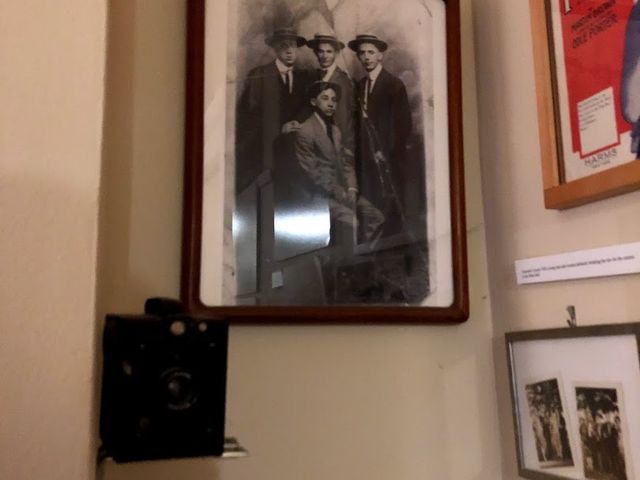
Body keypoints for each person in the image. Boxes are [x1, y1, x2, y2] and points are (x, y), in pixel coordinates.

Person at [294, 81, 384, 248]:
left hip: (342, 191)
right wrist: (340, 193)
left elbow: (346, 163)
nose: (331, 103)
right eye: (325, 98)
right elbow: (313, 173)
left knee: (377, 218)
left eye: (334, 100)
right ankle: (350, 258)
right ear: (314, 102)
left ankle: (366, 253)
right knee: (353, 221)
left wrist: (352, 188)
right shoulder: (305, 131)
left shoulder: (335, 131)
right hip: (319, 196)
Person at [348, 34, 413, 237]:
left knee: (391, 205)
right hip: (366, 158)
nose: (366, 57)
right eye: (362, 53)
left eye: (371, 52)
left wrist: (385, 151)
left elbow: (403, 126)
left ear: (380, 56)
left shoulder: (394, 85)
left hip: (389, 157)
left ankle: (394, 241)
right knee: (371, 205)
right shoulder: (359, 86)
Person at [235, 27, 312, 192]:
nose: (289, 51)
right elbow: (248, 114)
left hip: (293, 149)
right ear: (275, 49)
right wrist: (279, 128)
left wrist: (296, 121)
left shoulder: (303, 76)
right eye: (284, 46)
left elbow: (308, 105)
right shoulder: (259, 75)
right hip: (264, 146)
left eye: (293, 46)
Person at [306, 34, 355, 154]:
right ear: (315, 53)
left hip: (338, 142)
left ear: (336, 54)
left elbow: (344, 117)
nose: (325, 56)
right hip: (315, 138)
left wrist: (345, 145)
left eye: (329, 51)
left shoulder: (344, 80)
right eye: (321, 51)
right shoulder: (311, 77)